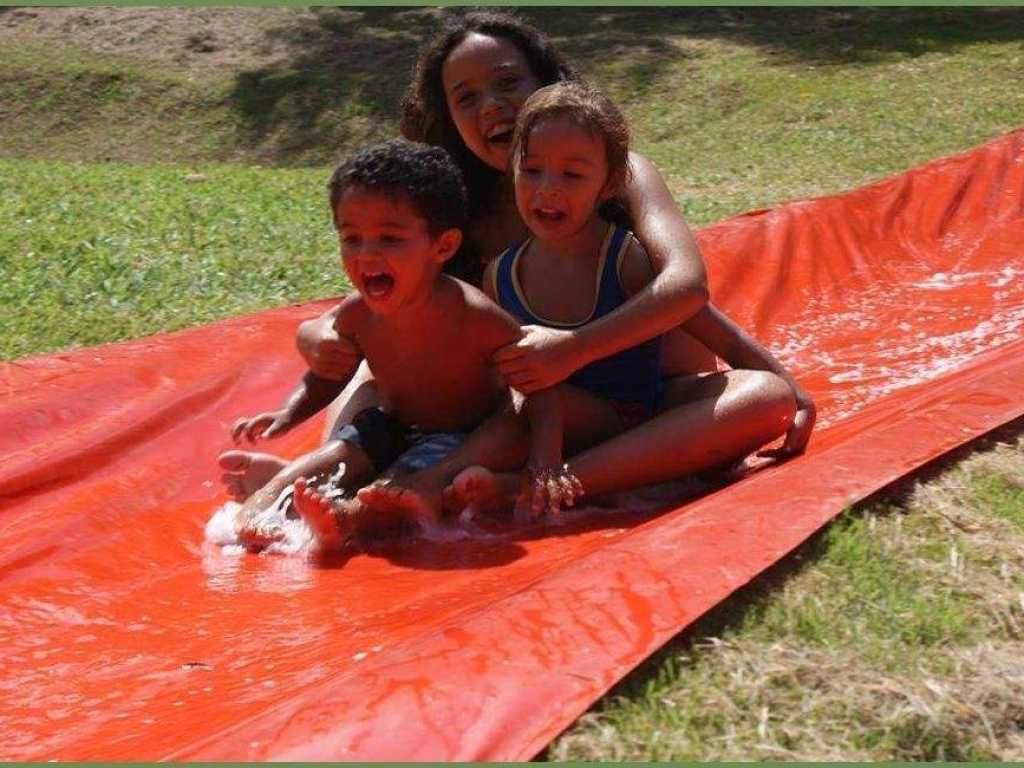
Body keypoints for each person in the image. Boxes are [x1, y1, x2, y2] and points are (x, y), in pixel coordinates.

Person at [220, 11, 816, 516]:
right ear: (446, 118)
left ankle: (538, 486)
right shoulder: (457, 211)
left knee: (763, 398)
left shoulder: (620, 172)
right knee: (370, 368)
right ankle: (338, 473)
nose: (492, 108)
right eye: (467, 98)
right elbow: (387, 312)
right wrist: (318, 334)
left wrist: (575, 348)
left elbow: (688, 289)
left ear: (547, 84)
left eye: (508, 83)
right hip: (522, 405)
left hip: (657, 400)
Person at [437, 81, 814, 515]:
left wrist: (795, 391)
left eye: (572, 174)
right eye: (532, 169)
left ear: (609, 183)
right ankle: (431, 485)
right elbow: (511, 384)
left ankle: (543, 487)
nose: (548, 189)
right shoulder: (501, 276)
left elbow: (710, 324)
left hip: (645, 419)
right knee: (517, 413)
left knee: (769, 399)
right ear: (513, 171)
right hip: (569, 422)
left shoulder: (624, 259)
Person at [226, 138, 564, 550]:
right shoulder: (357, 314)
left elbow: (539, 387)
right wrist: (289, 411)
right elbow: (330, 375)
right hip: (390, 425)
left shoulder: (473, 315)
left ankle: (348, 519)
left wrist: (545, 460)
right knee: (337, 455)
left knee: (397, 488)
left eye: (389, 239)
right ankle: (260, 506)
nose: (367, 255)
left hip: (459, 436)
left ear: (443, 246)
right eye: (352, 238)